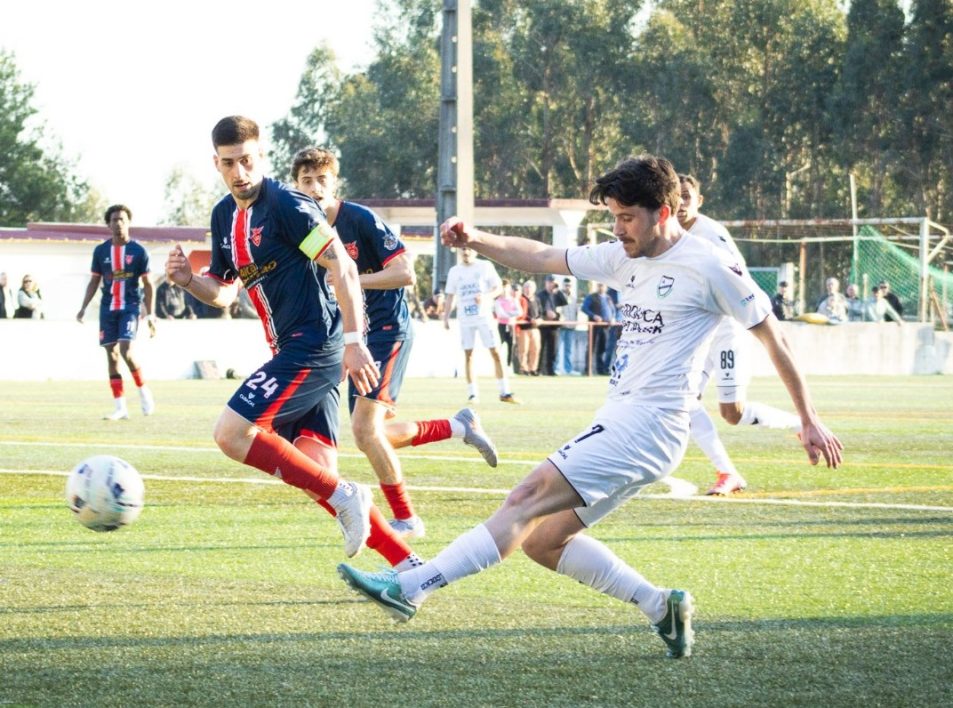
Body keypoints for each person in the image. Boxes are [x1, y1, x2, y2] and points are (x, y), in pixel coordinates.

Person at [337, 155, 843, 660]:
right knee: (544, 542)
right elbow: (542, 255)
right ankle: (660, 606)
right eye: (614, 217)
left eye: (627, 218)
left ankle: (412, 587)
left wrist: (809, 419)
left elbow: (774, 337)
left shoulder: (709, 265)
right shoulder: (623, 256)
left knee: (527, 495)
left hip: (650, 424)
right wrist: (476, 239)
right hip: (624, 420)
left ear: (663, 213)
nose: (618, 229)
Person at [164, 115, 418, 568]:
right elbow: (223, 293)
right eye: (229, 163)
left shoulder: (287, 203)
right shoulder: (223, 215)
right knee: (316, 474)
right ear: (216, 164)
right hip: (290, 350)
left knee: (231, 434)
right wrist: (188, 281)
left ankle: (349, 497)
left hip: (316, 346)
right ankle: (408, 566)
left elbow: (341, 264)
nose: (240, 172)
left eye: (247, 160)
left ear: (261, 155)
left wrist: (354, 341)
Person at [291, 146, 497, 539]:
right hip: (356, 337)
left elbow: (405, 273)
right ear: (297, 186)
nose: (315, 188)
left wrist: (351, 280)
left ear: (335, 183)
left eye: (322, 180)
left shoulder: (360, 219)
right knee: (375, 435)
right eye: (307, 181)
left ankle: (407, 519)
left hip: (387, 331)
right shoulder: (306, 232)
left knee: (364, 430)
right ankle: (458, 426)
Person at [678, 174, 802, 495]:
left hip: (727, 328)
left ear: (699, 201)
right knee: (682, 399)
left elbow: (740, 280)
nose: (680, 203)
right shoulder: (670, 233)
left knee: (732, 413)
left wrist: (761, 319)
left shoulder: (711, 235)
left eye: (686, 196)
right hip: (698, 329)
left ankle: (800, 423)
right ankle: (727, 473)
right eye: (675, 196)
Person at [76, 206, 155, 420]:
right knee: (111, 355)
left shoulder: (139, 251)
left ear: (128, 222)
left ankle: (143, 391)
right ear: (108, 224)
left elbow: (149, 284)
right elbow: (94, 281)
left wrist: (150, 315)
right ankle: (120, 407)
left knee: (126, 350)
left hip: (130, 307)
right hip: (107, 309)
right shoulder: (101, 251)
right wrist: (83, 307)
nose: (118, 223)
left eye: (122, 219)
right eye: (114, 220)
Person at [443, 246, 520, 404]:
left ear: (475, 250)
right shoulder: (454, 271)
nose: (466, 252)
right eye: (463, 249)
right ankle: (473, 394)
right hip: (465, 318)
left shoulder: (485, 266)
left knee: (496, 352)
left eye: (469, 249)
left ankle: (504, 392)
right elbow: (450, 295)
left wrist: (485, 297)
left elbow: (498, 288)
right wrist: (446, 316)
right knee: (468, 354)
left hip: (484, 317)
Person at [581, 281, 614, 374]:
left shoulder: (608, 298)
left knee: (602, 348)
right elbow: (584, 308)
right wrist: (594, 316)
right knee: (591, 347)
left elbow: (613, 310)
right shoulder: (591, 297)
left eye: (602, 285)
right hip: (594, 326)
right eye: (599, 285)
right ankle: (587, 369)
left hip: (605, 327)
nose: (601, 287)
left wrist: (613, 318)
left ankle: (600, 370)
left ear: (606, 287)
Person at [537, 275, 568, 375]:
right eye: (550, 282)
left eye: (553, 283)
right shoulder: (540, 295)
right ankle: (538, 370)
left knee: (553, 349)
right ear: (546, 283)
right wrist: (546, 313)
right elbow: (538, 308)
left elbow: (565, 303)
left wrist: (558, 291)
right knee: (540, 348)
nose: (551, 284)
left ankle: (550, 370)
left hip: (554, 326)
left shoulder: (557, 294)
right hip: (543, 325)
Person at [516, 279, 542, 376]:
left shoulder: (537, 299)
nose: (528, 289)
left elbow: (540, 312)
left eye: (530, 287)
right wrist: (530, 319)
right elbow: (521, 313)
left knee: (535, 349)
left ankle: (533, 368)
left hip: (535, 328)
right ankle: (524, 369)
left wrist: (539, 319)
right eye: (526, 287)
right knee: (523, 349)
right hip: (524, 328)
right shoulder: (520, 299)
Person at [493, 279, 520, 370]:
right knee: (499, 345)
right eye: (503, 287)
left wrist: (508, 313)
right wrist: (511, 313)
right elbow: (501, 314)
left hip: (511, 325)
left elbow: (519, 312)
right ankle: (498, 366)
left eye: (506, 287)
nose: (505, 289)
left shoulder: (513, 300)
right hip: (501, 325)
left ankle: (508, 366)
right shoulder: (498, 301)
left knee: (511, 345)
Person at [557, 277, 580, 375]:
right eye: (566, 285)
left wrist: (575, 323)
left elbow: (576, 312)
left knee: (569, 350)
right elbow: (558, 311)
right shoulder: (558, 296)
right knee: (557, 349)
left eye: (569, 285)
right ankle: (557, 369)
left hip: (571, 327)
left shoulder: (574, 298)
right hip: (561, 327)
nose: (568, 287)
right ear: (563, 285)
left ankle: (568, 369)